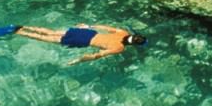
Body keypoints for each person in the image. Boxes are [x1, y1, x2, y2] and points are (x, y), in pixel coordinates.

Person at [15, 23, 147, 65]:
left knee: (52, 32)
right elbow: (98, 55)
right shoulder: (119, 48)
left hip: (88, 33)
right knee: (46, 39)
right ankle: (19, 33)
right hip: (85, 41)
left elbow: (105, 27)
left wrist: (87, 26)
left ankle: (24, 26)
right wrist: (79, 60)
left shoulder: (123, 32)